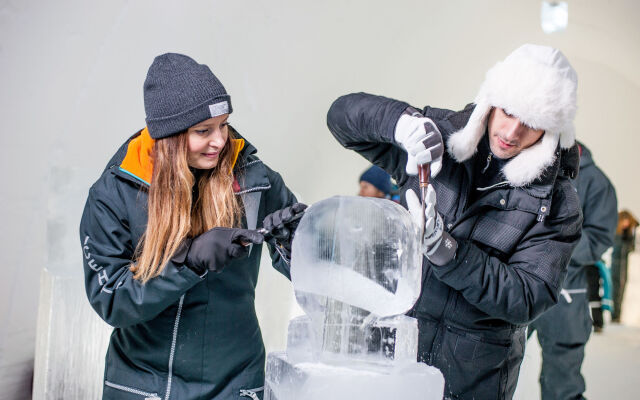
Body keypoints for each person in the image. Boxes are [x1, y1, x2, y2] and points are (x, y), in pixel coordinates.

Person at [327, 44, 582, 399]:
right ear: (491, 100)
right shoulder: (439, 134)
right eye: (507, 111)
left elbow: (527, 296)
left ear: (552, 131)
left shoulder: (556, 203)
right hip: (393, 356)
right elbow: (340, 117)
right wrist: (399, 123)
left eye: (533, 123)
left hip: (473, 377)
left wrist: (448, 253)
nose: (511, 131)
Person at [79, 53, 305, 400]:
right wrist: (188, 262)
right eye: (203, 131)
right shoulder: (116, 194)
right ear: (169, 136)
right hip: (144, 384)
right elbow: (112, 301)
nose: (220, 141)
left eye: (224, 125)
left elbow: (311, 271)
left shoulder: (253, 180)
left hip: (236, 382)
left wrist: (297, 245)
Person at [528, 141, 617, 399]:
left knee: (562, 385)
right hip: (519, 289)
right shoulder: (532, 168)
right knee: (494, 371)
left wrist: (554, 243)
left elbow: (599, 239)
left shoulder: (597, 183)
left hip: (565, 300)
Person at [611, 210, 639, 322]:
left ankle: (617, 314)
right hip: (616, 262)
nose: (625, 224)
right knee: (616, 288)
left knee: (621, 289)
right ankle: (615, 314)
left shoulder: (629, 234)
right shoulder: (616, 232)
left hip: (624, 263)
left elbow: (631, 247)